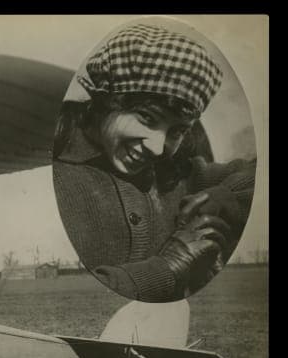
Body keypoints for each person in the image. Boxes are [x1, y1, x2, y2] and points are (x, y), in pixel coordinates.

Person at [52, 23, 255, 302]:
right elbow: (69, 302)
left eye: (177, 131)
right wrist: (168, 267)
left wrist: (224, 198)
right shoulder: (54, 176)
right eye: (147, 118)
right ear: (106, 101)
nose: (158, 149)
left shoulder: (180, 175)